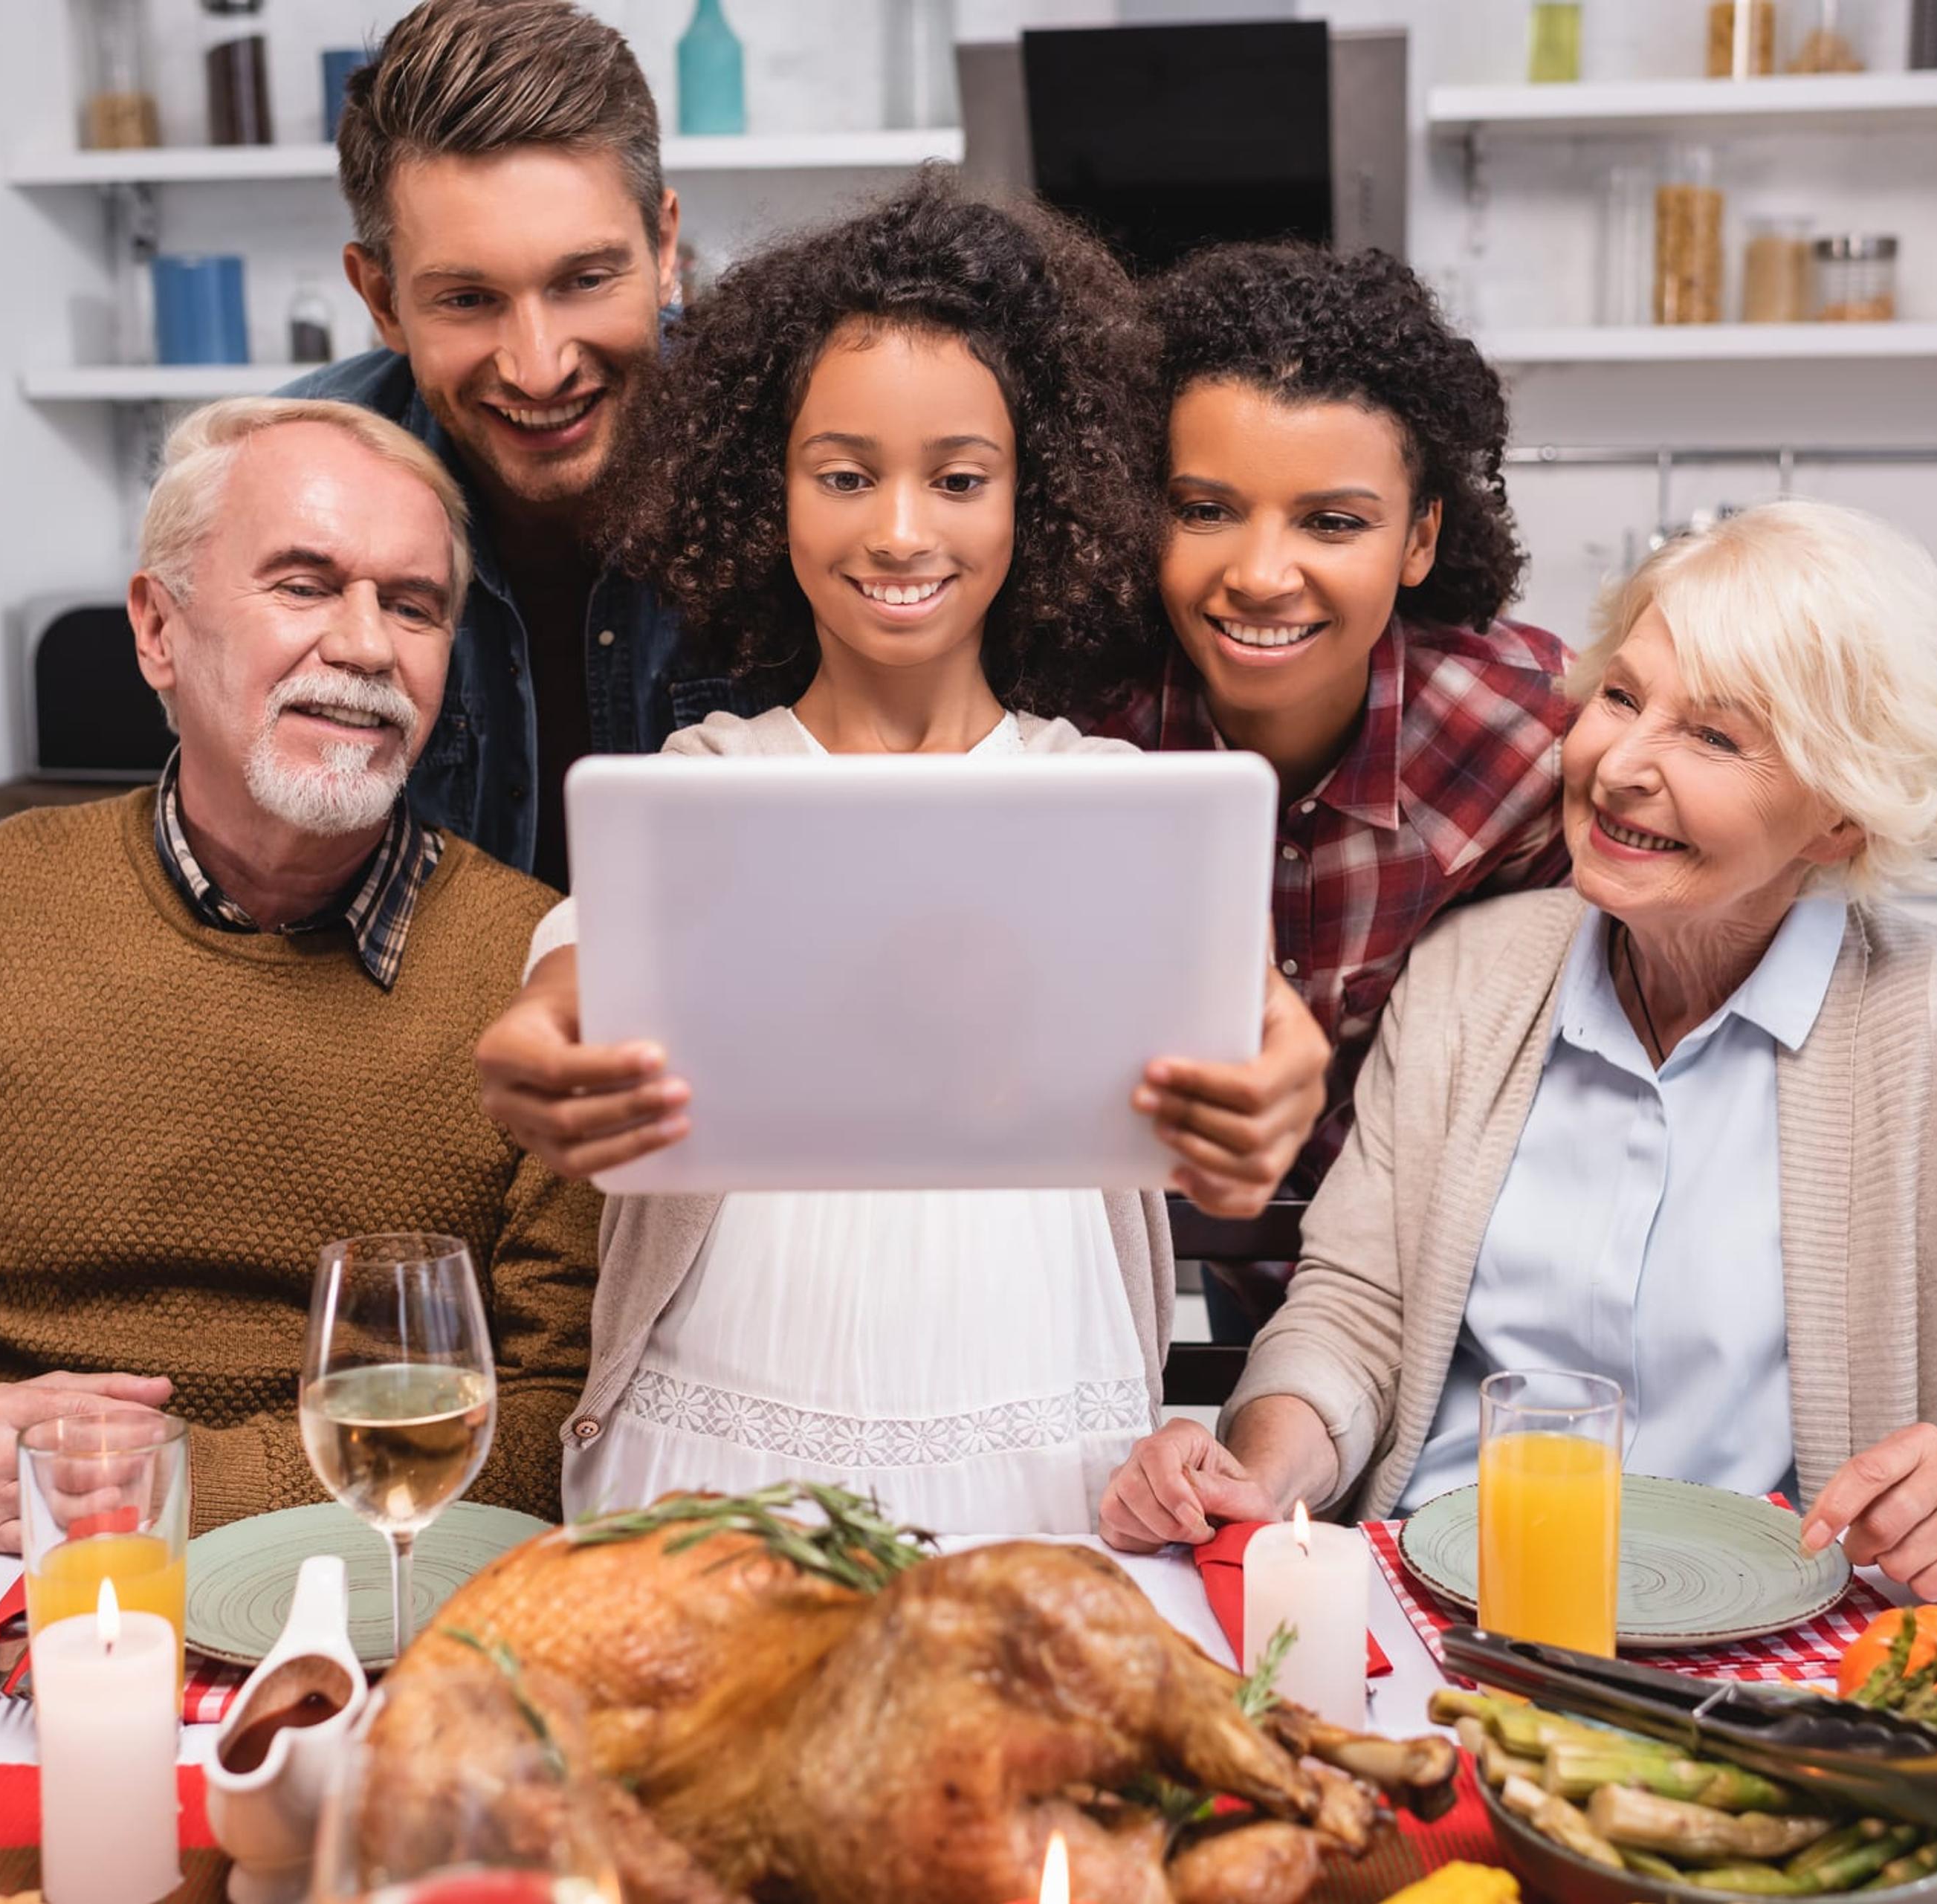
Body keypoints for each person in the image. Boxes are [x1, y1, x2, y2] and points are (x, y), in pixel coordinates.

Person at [1099, 499, 1937, 1599]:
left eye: (1713, 735)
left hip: (1791, 1663)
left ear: (1840, 816)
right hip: (1441, 1610)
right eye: (1623, 697)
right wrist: (1265, 1469)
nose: (1621, 764)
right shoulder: (1473, 976)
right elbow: (1353, 1313)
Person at [475, 175, 1329, 1532]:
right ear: (773, 495)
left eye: (960, 478)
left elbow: (1247, 1015)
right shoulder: (704, 784)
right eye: (845, 475)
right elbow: (573, 984)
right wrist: (534, 1051)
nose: (899, 530)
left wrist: (1275, 1078)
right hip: (714, 1455)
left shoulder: (1105, 800)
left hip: (1049, 1451)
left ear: (1033, 498)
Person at [0, 398, 601, 1549]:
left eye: (414, 606)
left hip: (383, 1581)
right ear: (157, 631)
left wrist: (161, 1488)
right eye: (303, 585)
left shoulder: (543, 966)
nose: (368, 645)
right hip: (8, 1586)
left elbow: (560, 1408)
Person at [1098, 245, 1576, 1338]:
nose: (1262, 573)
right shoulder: (1078, 732)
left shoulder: (1529, 734)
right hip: (1174, 1294)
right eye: (1205, 509)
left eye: (1333, 522)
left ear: (1419, 540)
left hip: (1471, 1310)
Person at [286, 0, 730, 889]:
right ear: (380, 300)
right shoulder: (285, 484)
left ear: (665, 246)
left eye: (586, 279)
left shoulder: (811, 458)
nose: (538, 369)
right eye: (467, 299)